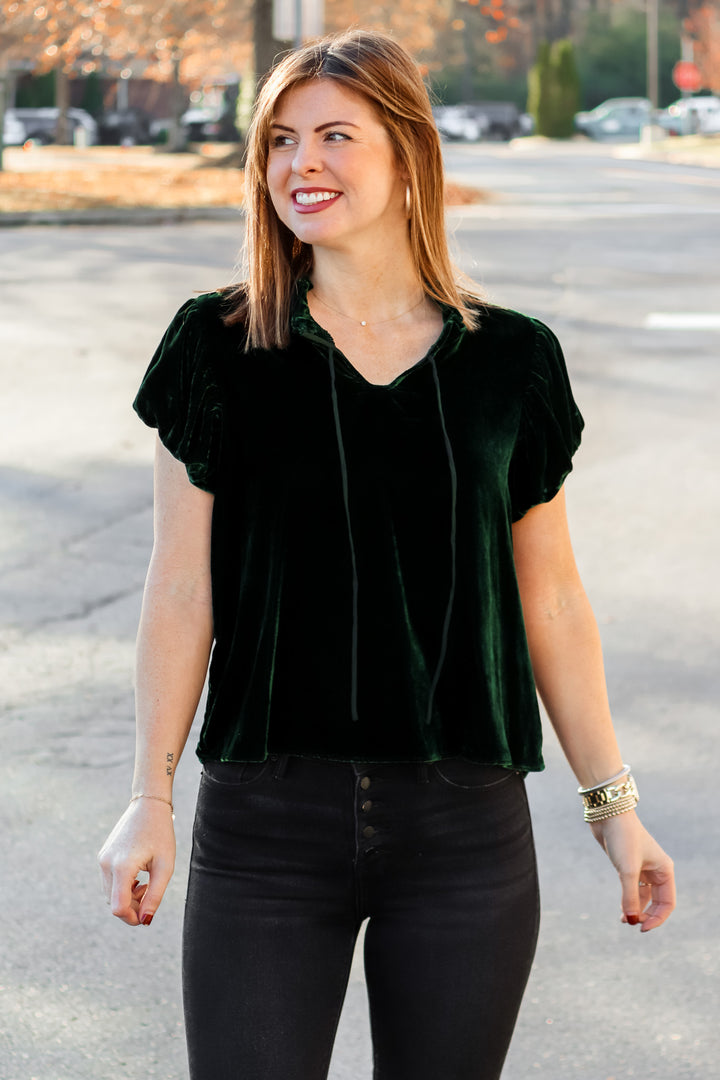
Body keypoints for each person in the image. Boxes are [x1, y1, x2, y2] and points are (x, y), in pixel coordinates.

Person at [98, 28, 675, 1080]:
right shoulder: (216, 349)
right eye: (277, 141)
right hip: (264, 827)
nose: (298, 164)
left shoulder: (512, 361)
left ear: (409, 154)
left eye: (332, 136)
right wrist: (151, 797)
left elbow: (550, 602)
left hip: (464, 834)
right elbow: (182, 590)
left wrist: (614, 811)